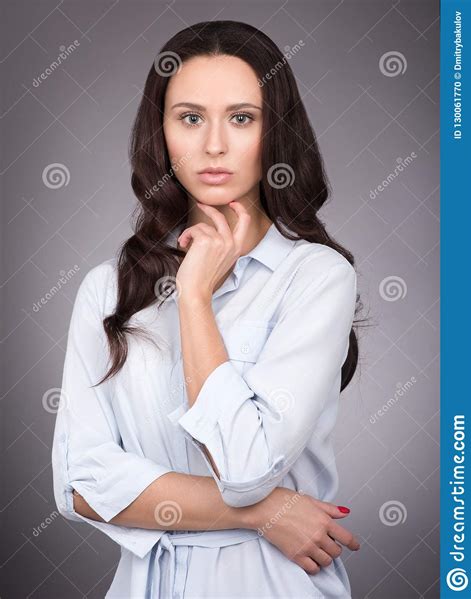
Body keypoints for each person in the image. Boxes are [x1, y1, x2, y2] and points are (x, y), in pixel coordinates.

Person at [51, 19, 362, 599]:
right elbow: (80, 486)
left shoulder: (316, 278)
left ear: (275, 133)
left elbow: (246, 468)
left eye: (241, 118)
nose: (214, 145)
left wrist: (194, 299)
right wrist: (262, 514)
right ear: (161, 132)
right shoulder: (106, 290)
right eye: (190, 118)